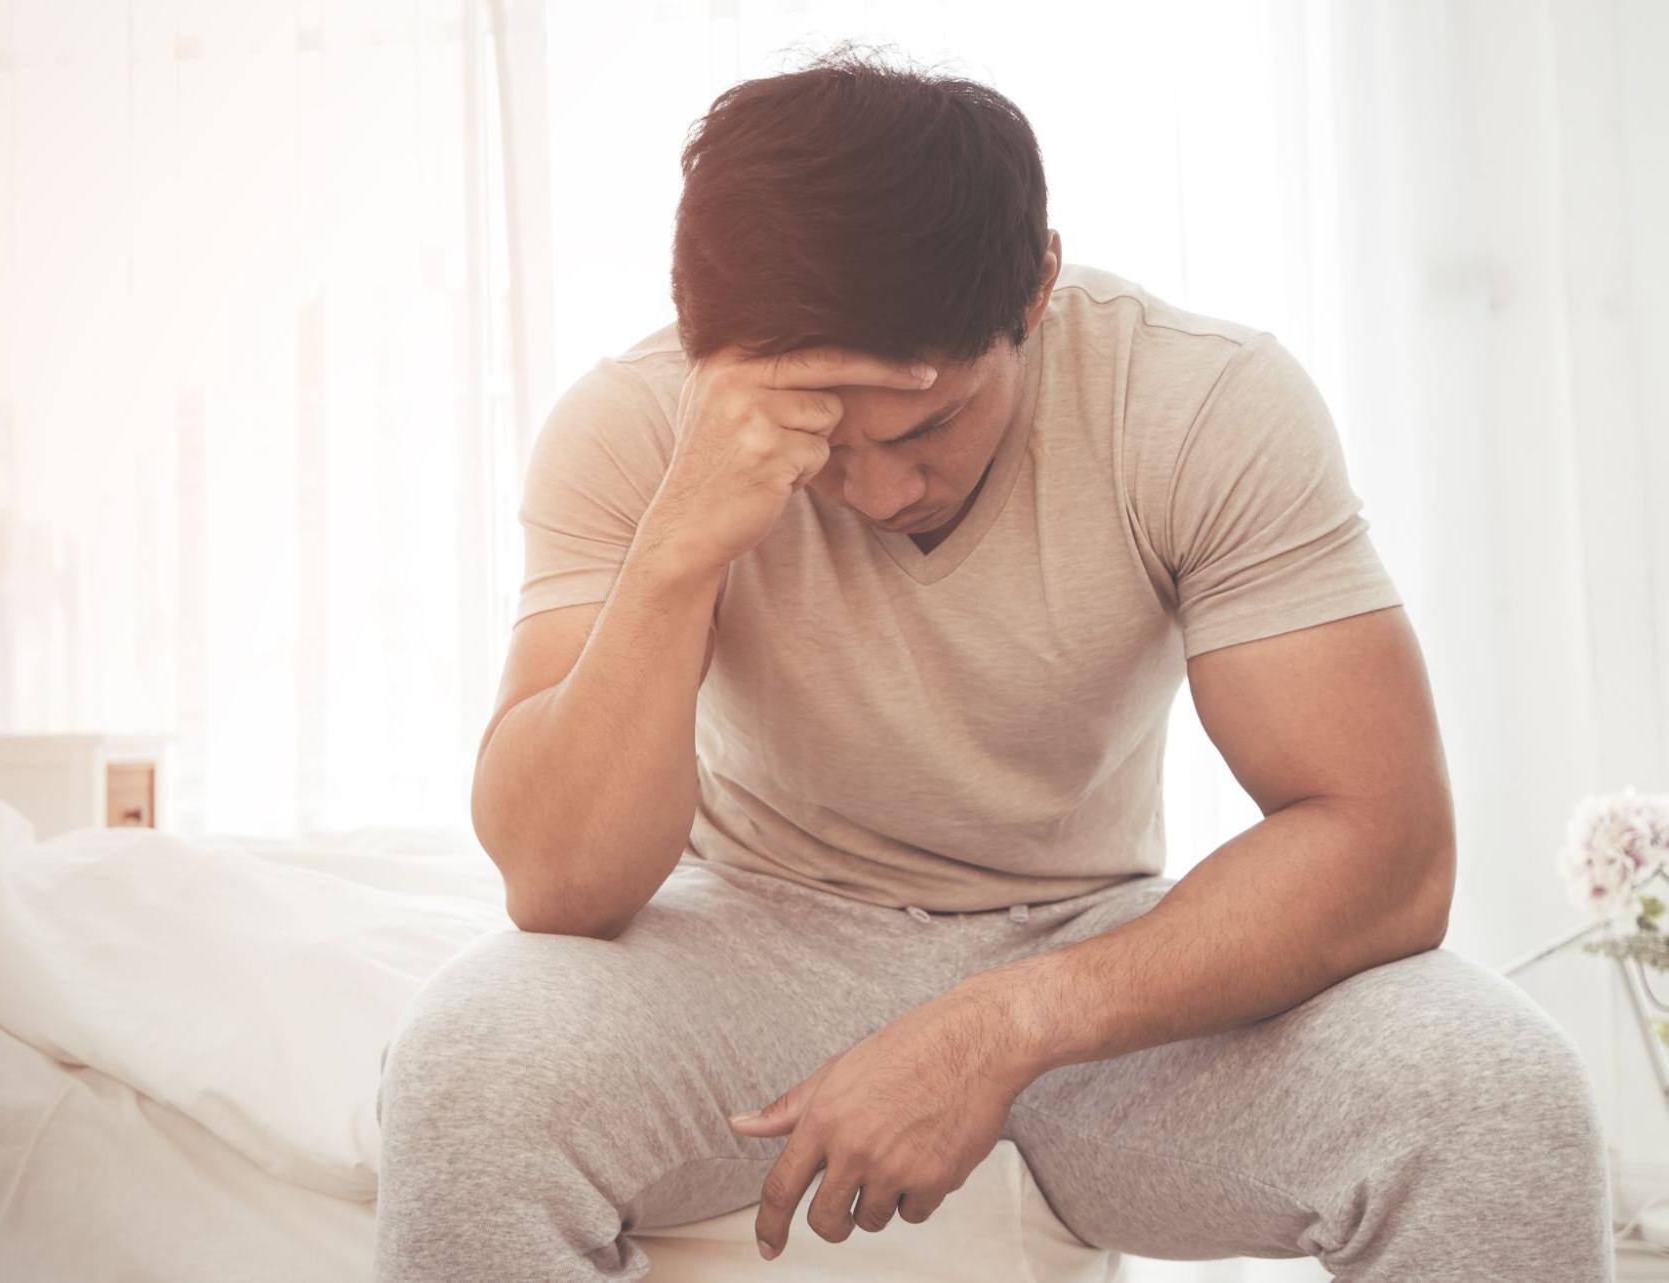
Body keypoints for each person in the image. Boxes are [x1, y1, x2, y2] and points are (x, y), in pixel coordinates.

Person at [374, 46, 1614, 1282]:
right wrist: (676, 548)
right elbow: (558, 885)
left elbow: (1388, 848)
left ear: (1038, 286)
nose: (874, 490)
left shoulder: (1199, 401)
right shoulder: (633, 424)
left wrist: (1000, 1025)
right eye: (823, 445)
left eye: (927, 427)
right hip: (749, 943)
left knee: (1493, 1091)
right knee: (469, 1069)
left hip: (1090, 953)